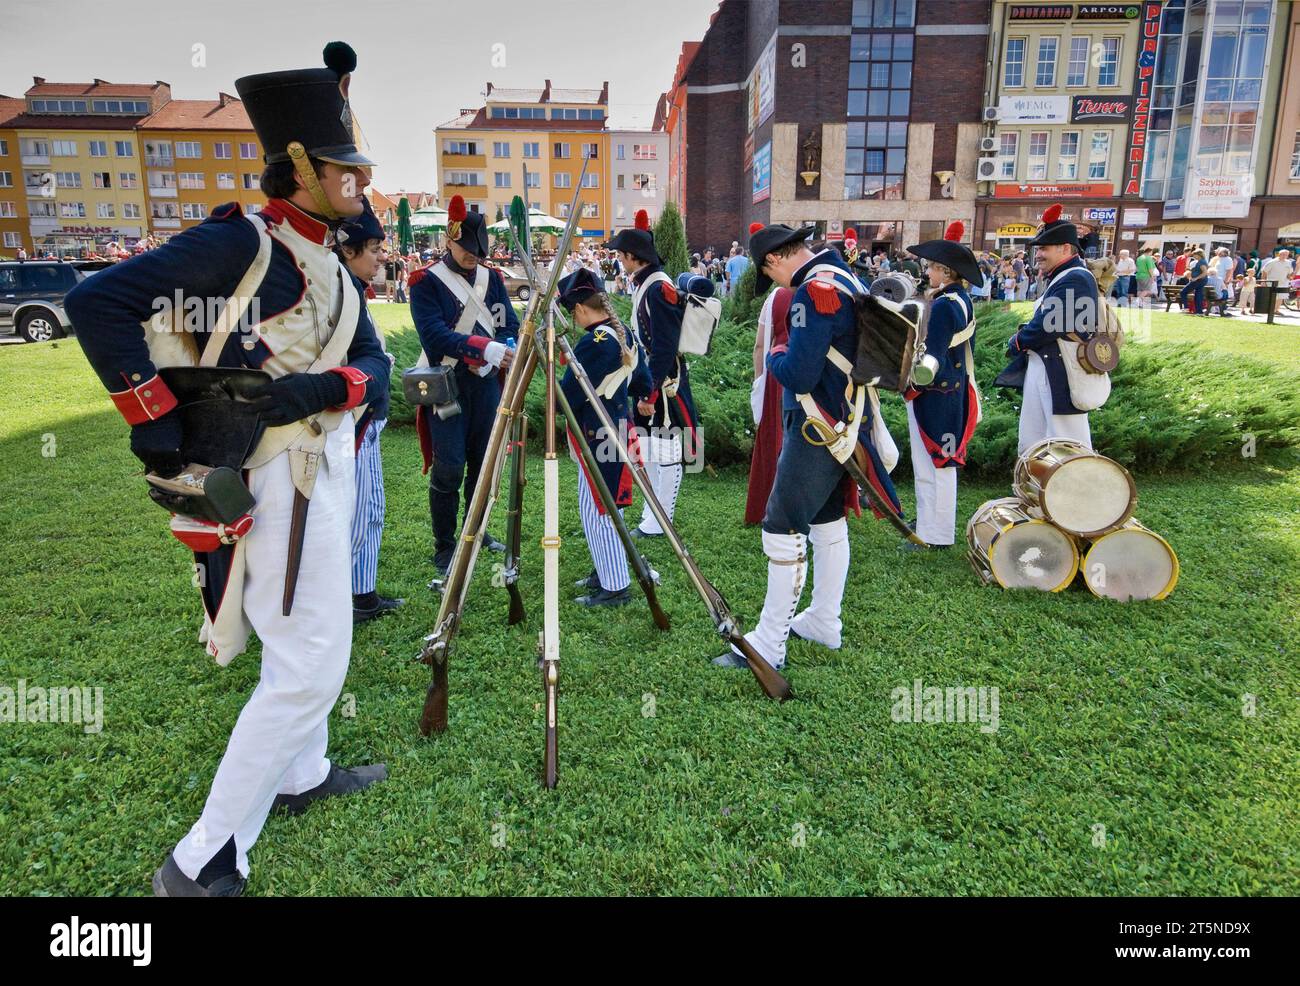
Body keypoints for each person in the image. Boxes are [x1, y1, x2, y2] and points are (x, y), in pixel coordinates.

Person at [65, 42, 391, 897]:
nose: (359, 179)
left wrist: (329, 385)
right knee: (308, 661)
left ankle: (303, 772)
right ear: (297, 166)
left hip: (327, 461)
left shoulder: (328, 252)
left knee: (323, 644)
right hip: (280, 474)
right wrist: (156, 423)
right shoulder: (241, 242)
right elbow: (98, 303)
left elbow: (372, 367)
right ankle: (204, 856)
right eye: (343, 165)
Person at [714, 223, 904, 672]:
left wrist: (777, 354)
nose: (775, 283)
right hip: (845, 419)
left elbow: (798, 373)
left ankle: (768, 643)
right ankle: (823, 620)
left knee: (780, 527)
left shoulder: (812, 292)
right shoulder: (844, 279)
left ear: (775, 259)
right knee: (828, 522)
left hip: (817, 427)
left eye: (770, 273)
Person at [411, 194, 519, 575]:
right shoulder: (425, 282)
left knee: (482, 464)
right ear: (449, 239)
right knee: (450, 467)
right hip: (446, 384)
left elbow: (508, 325)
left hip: (485, 385)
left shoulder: (491, 279)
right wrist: (480, 351)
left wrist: (497, 356)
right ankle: (444, 544)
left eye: (478, 250)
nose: (474, 256)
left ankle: (477, 530)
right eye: (466, 249)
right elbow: (434, 337)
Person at [556, 269, 653, 606]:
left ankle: (615, 586)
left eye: (573, 312)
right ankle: (606, 569)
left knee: (600, 510)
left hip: (599, 434)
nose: (573, 317)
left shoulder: (594, 341)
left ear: (582, 309)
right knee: (604, 505)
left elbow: (567, 393)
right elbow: (644, 381)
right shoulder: (624, 333)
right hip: (618, 427)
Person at [333, 200, 404, 623]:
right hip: (354, 421)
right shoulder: (341, 293)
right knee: (363, 511)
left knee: (364, 510)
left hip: (359, 418)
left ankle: (358, 592)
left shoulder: (347, 289)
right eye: (373, 248)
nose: (380, 257)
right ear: (348, 250)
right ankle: (357, 597)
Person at [608, 209, 697, 540]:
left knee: (667, 450)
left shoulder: (659, 288)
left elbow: (664, 346)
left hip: (663, 384)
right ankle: (652, 515)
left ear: (633, 257)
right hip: (651, 380)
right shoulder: (645, 283)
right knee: (651, 448)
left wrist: (650, 393)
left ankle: (663, 520)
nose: (619, 259)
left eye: (621, 254)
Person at [901, 222, 982, 549]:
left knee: (933, 464)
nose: (928, 272)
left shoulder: (946, 305)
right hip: (953, 390)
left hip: (935, 393)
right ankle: (934, 526)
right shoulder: (959, 299)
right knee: (941, 463)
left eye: (932, 267)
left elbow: (932, 356)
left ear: (946, 272)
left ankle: (935, 533)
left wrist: (909, 377)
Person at [1000, 203, 1100, 454]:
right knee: (1036, 443)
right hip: (1048, 365)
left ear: (1065, 248)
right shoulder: (1065, 275)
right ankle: (1038, 491)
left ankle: (1077, 493)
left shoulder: (1075, 277)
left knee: (1068, 446)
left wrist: (1018, 341)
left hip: (1061, 370)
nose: (1039, 254)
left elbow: (1048, 324)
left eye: (1044, 248)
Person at [745, 275, 794, 525]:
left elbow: (759, 346)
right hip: (817, 372)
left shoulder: (777, 297)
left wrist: (759, 383)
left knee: (777, 439)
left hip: (780, 372)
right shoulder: (829, 290)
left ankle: (772, 509)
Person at [1261, 249, 1294, 316]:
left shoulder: (1288, 263)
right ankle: (1269, 310)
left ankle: (1276, 310)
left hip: (1283, 283)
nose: (1285, 256)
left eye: (1286, 255)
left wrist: (1290, 277)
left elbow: (1289, 273)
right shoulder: (1272, 262)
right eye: (1283, 254)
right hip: (1272, 282)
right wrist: (1263, 281)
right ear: (1279, 254)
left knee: (1281, 297)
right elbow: (1264, 271)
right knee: (1272, 297)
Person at [1180, 249, 1209, 315]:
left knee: (1183, 292)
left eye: (1194, 255)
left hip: (1198, 281)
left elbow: (1204, 273)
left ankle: (1186, 308)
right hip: (1200, 280)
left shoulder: (1201, 262)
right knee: (1198, 295)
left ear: (1199, 255)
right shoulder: (1200, 261)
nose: (1193, 256)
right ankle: (1199, 311)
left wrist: (1196, 278)